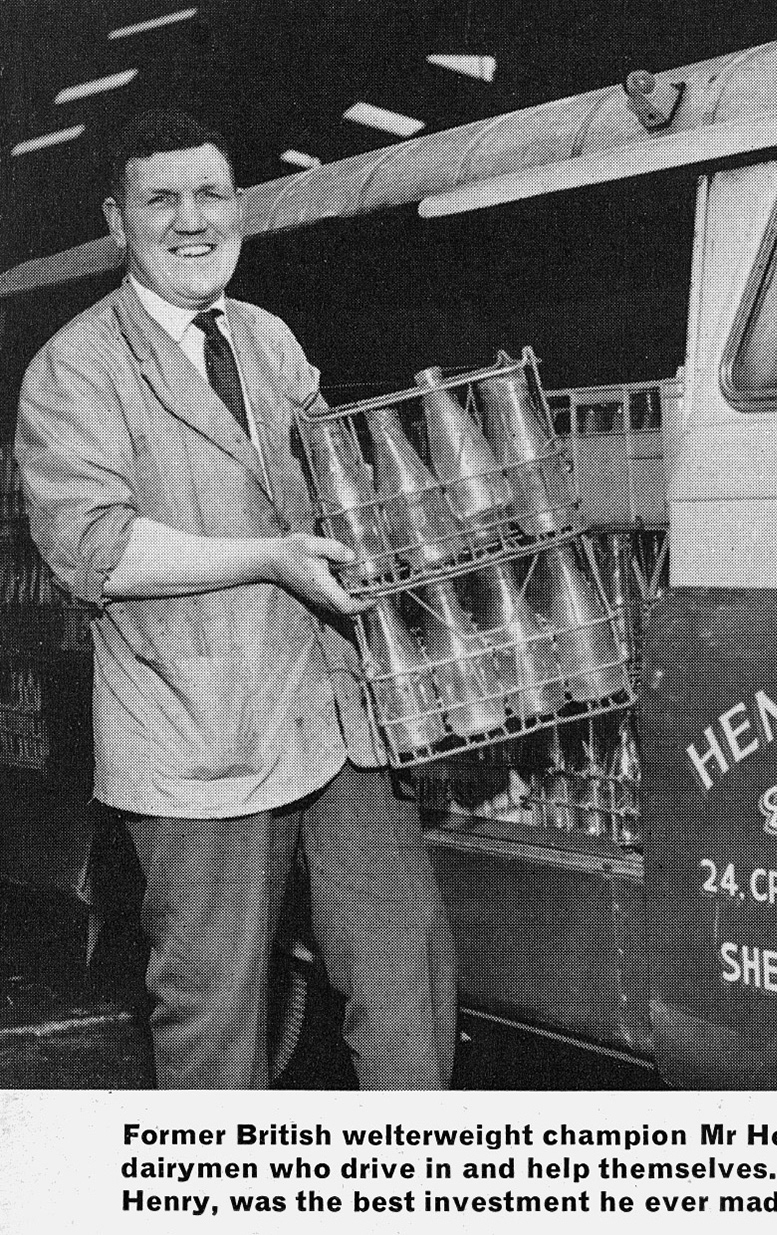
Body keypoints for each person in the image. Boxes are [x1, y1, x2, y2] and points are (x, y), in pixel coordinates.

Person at [15, 110, 457, 1089]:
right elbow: (94, 548)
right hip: (196, 736)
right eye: (159, 198)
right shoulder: (74, 369)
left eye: (209, 194)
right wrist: (268, 558)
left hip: (337, 717)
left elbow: (332, 484)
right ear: (117, 221)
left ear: (239, 209)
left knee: (409, 979)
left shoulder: (269, 339)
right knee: (218, 1021)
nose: (190, 219)